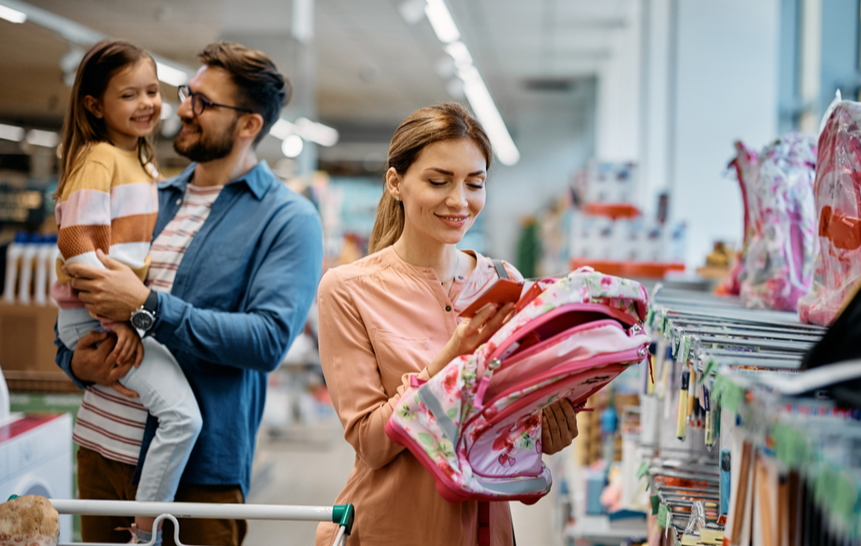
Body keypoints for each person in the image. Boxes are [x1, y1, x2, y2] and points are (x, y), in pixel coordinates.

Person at [55, 41, 323, 546]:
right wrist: (75, 364)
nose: (181, 110)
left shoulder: (288, 219)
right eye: (187, 93)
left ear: (249, 125)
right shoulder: (150, 197)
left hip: (198, 477)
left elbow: (266, 340)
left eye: (203, 102)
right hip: (101, 454)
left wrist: (146, 307)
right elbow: (81, 300)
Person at [314, 103, 579, 546]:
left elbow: (501, 431)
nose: (459, 201)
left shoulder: (504, 282)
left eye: (475, 184)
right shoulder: (347, 289)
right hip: (393, 528)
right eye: (439, 181)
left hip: (487, 530)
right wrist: (449, 357)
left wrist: (543, 428)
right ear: (396, 182)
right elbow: (372, 443)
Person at [52, 39, 202, 545]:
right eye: (128, 95)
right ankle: (143, 535)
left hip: (107, 313)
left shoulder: (137, 160)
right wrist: (120, 321)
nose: (146, 103)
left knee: (180, 416)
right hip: (93, 317)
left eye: (152, 91)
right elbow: (77, 245)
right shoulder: (98, 157)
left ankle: (142, 527)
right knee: (182, 417)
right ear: (95, 106)